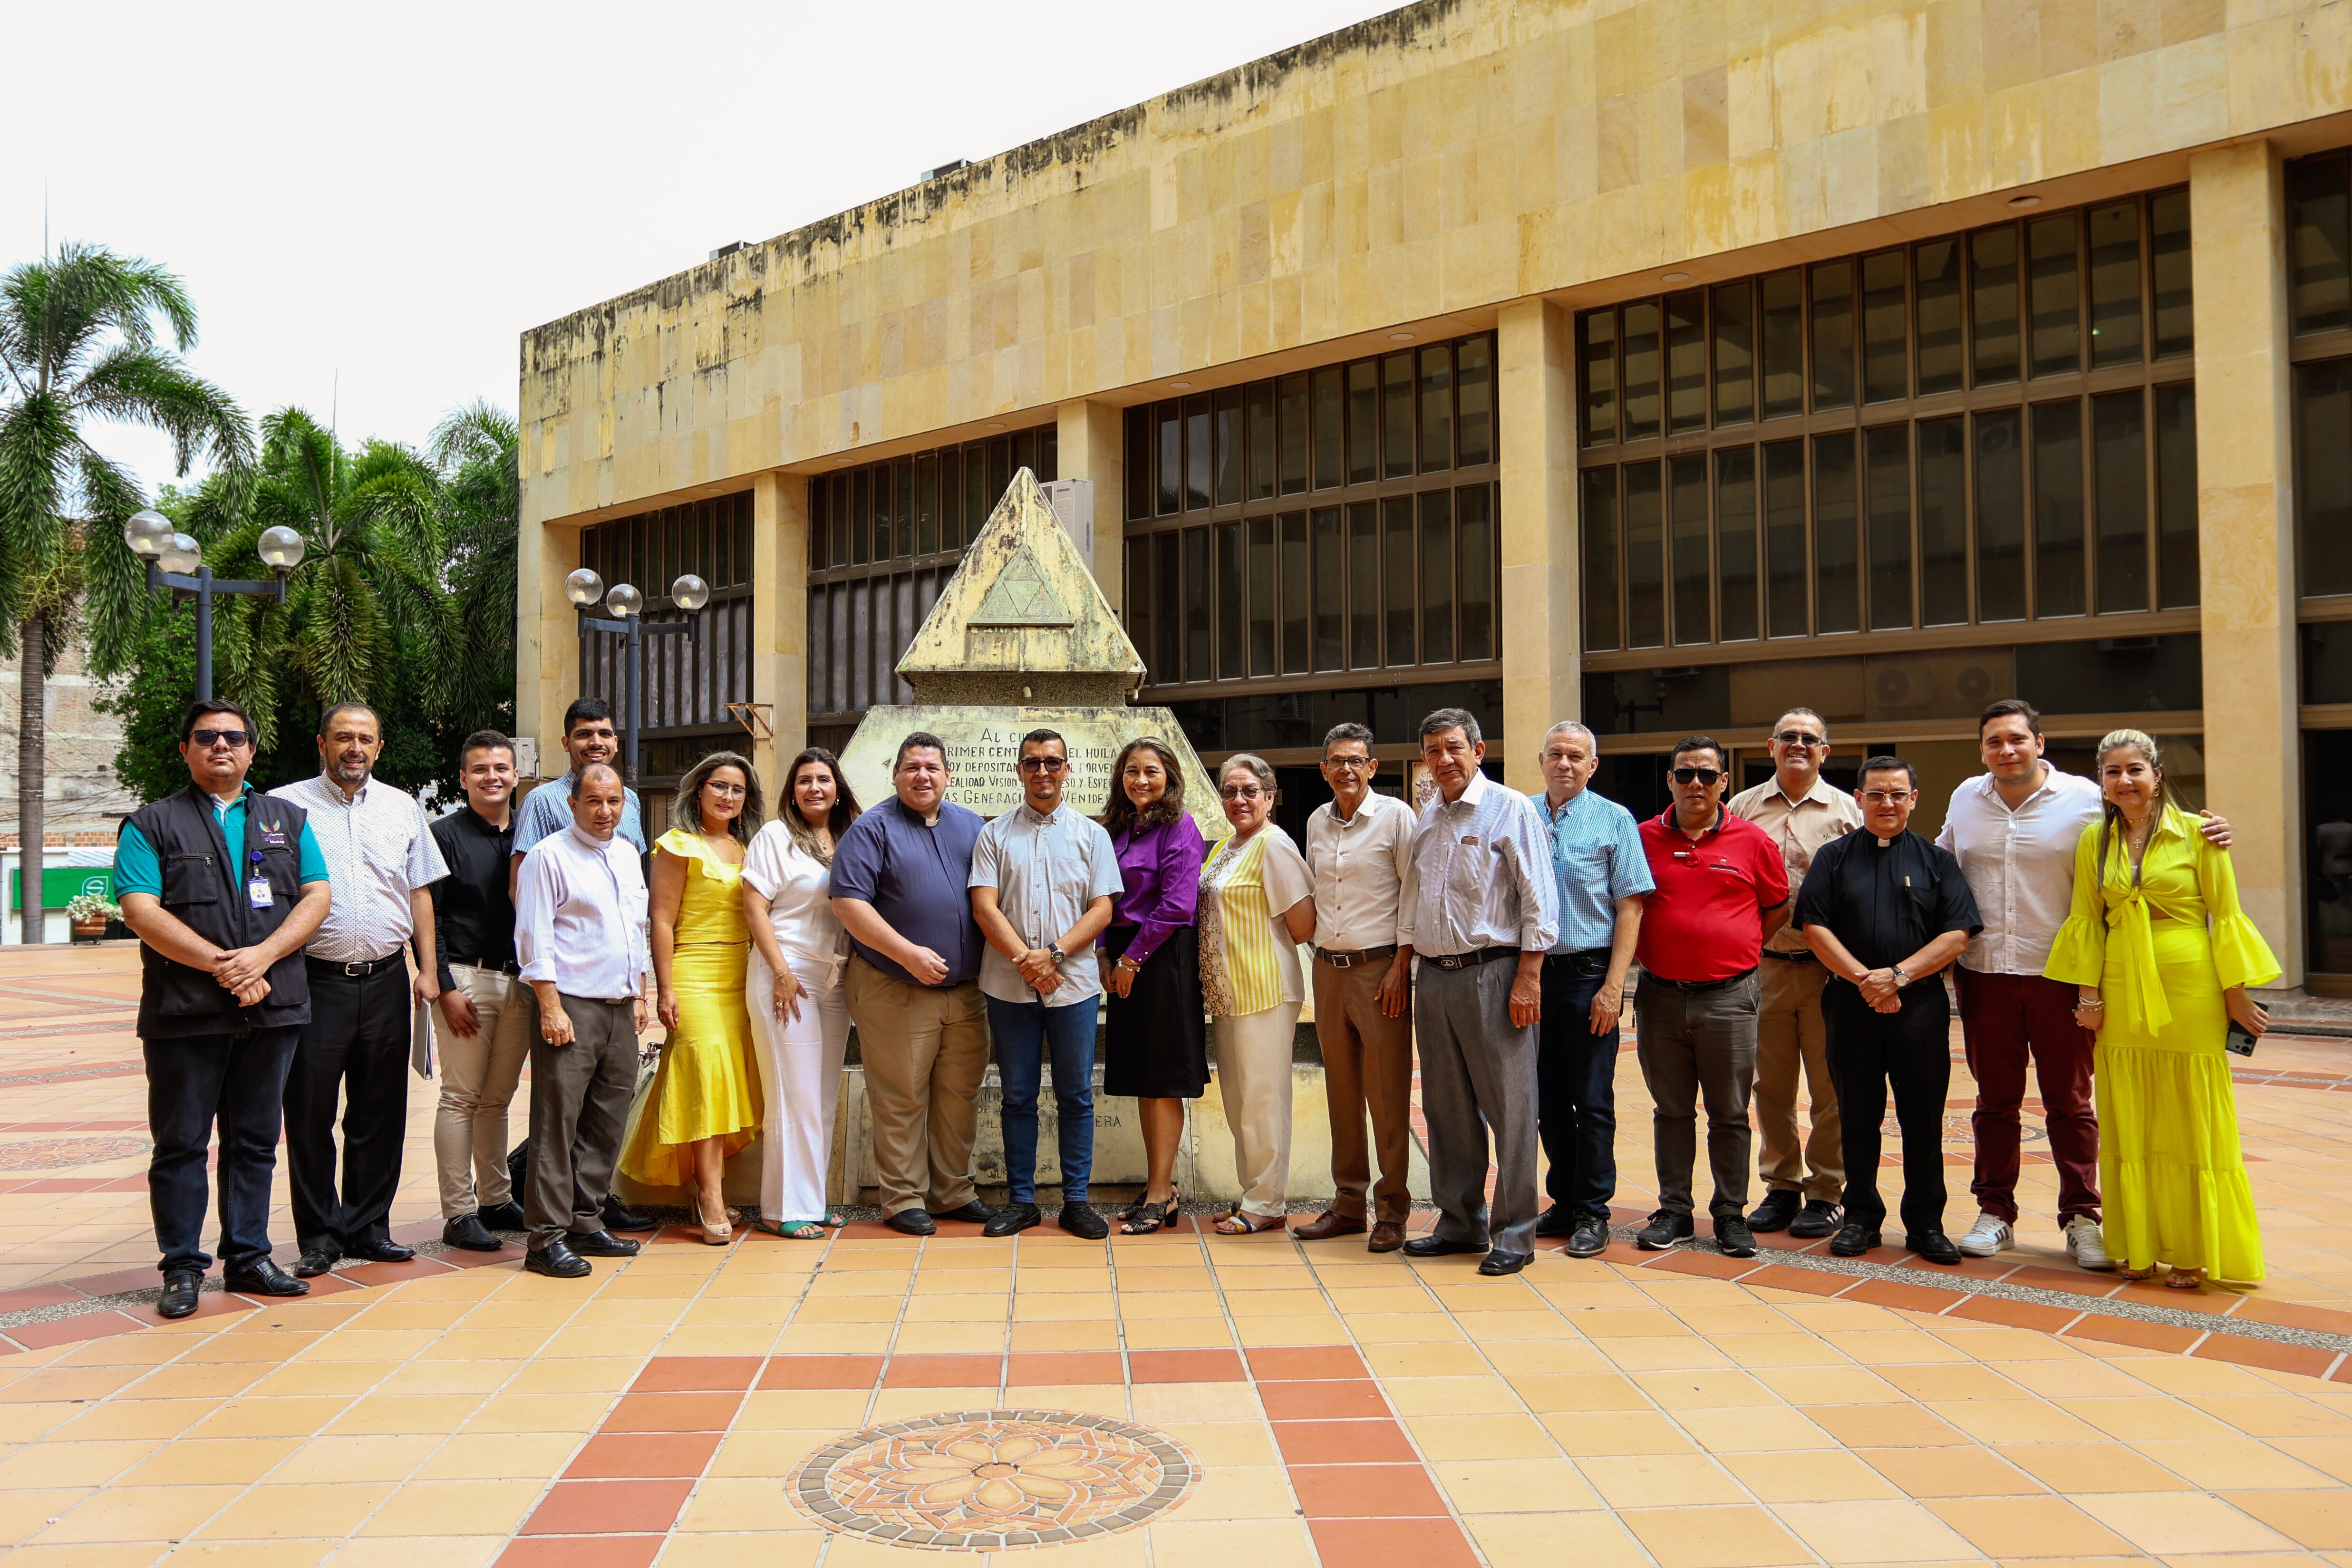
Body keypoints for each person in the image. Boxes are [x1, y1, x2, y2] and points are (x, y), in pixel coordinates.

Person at [1939, 698, 2231, 1268]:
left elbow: (2145, 821)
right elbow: (1943, 862)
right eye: (1994, 741)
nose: (2007, 749)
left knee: (2070, 1104)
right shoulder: (1964, 799)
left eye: (2017, 739)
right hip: (1986, 974)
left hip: (2062, 976)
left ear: (2039, 742)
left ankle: (2081, 1217)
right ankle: (1995, 1212)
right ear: (1982, 749)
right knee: (1994, 1103)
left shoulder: (2083, 798)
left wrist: (2206, 827)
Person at [116, 699, 332, 1318]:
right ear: (185, 749)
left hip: (274, 1007)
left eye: (233, 738)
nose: (221, 746)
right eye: (206, 737)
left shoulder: (287, 819)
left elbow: (317, 894)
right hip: (186, 1014)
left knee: (256, 1141)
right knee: (182, 1143)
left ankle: (249, 1256)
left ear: (251, 751)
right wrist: (225, 965)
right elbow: (140, 909)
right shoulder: (151, 824)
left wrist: (260, 958)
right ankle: (182, 1268)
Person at [2044, 730, 2278, 1287]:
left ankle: (2194, 1249)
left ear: (2157, 774)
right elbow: (2085, 921)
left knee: (2189, 1117)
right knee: (2129, 1116)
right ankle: (2139, 1242)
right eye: (2112, 772)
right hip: (2121, 987)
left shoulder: (2201, 833)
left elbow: (2225, 914)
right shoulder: (2091, 842)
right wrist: (2088, 998)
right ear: (2101, 781)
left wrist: (2236, 995)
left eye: (2134, 770)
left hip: (2189, 984)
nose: (2124, 781)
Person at [271, 703, 448, 1278]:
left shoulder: (402, 807)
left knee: (380, 1111)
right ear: (321, 743)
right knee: (310, 1113)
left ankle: (370, 1227)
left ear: (379, 747)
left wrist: (427, 969)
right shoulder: (284, 807)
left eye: (364, 739)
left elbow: (420, 891)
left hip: (387, 980)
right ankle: (320, 1236)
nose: (354, 747)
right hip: (314, 981)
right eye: (343, 737)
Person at [1796, 757, 1982, 1264]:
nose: (1887, 803)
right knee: (1856, 1115)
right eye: (1876, 794)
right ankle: (1860, 1216)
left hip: (1918, 1006)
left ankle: (1926, 1221)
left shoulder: (1936, 862)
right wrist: (1867, 980)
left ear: (1914, 800)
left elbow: (1958, 934)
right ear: (1857, 798)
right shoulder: (1833, 859)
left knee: (1923, 1117)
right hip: (1851, 1003)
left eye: (1898, 794)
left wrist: (1897, 977)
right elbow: (1814, 928)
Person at [1397, 709, 1559, 1276]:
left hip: (1496, 973)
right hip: (1436, 977)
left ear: (1479, 750)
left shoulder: (1510, 808)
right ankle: (1460, 1222)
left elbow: (1540, 898)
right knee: (1446, 1108)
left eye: (1453, 748)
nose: (1443, 759)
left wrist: (1529, 976)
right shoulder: (1429, 815)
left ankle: (1515, 1232)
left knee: (1511, 1108)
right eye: (1432, 750)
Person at [830, 732, 995, 1237]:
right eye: (911, 767)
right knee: (901, 1096)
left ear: (948, 775)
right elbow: (849, 904)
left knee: (959, 1094)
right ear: (896, 775)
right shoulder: (871, 829)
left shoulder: (972, 826)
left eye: (931, 767)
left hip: (966, 992)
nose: (922, 775)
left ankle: (952, 1190)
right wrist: (907, 952)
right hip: (895, 986)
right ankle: (902, 1197)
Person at [1632, 735, 1790, 1258]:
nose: (1694, 783)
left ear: (1724, 781)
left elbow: (1776, 906)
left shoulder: (1752, 840)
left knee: (1730, 1112)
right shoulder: (1642, 837)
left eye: (1706, 774)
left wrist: (1740, 947)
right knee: (1672, 1110)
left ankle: (1729, 1214)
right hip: (1660, 997)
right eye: (1684, 774)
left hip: (1730, 998)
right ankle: (1675, 1210)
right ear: (1670, 780)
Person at [970, 729, 1123, 1239]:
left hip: (1074, 984)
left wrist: (1053, 955)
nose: (1043, 772)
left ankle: (1076, 1200)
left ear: (1067, 769)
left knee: (1076, 1093)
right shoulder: (994, 835)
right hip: (1008, 985)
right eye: (1033, 763)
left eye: (1052, 762)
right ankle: (1022, 1200)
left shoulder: (1091, 835)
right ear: (1018, 770)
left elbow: (1103, 908)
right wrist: (1026, 960)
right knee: (1017, 1094)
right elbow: (984, 906)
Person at [514, 763, 654, 1278]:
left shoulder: (625, 853)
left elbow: (634, 929)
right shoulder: (549, 857)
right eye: (594, 801)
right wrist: (550, 1007)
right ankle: (545, 1238)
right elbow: (534, 935)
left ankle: (585, 1220)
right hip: (570, 1005)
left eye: (614, 801)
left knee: (607, 1120)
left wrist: (639, 993)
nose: (605, 811)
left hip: (620, 1005)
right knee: (558, 1125)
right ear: (572, 804)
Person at [1727, 708, 1860, 1241]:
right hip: (1768, 967)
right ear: (1771, 745)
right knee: (1771, 1086)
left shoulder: (1847, 810)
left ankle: (1827, 1190)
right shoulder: (1741, 807)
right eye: (1789, 737)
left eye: (1810, 739)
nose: (1799, 745)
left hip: (1831, 971)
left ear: (1825, 751)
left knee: (1831, 1087)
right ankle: (1781, 1184)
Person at [619, 752, 764, 1243]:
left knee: (728, 1080)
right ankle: (711, 1197)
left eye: (737, 789)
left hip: (742, 975)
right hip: (694, 972)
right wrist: (665, 986)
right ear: (698, 791)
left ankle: (705, 1181)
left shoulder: (749, 848)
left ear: (746, 800)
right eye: (719, 786)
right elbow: (659, 920)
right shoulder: (677, 845)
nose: (727, 796)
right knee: (707, 1074)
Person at [1528, 720, 1650, 1259]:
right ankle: (1563, 1199)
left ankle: (1593, 1211)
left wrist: (1614, 986)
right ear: (1541, 759)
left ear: (1592, 765)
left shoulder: (1614, 819)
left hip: (1588, 977)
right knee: (1547, 1099)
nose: (1565, 764)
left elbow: (1631, 905)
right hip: (1532, 977)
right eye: (1556, 754)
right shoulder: (1521, 814)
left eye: (1576, 756)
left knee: (1592, 1100)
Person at [1299, 723, 1418, 1253]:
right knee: (1341, 1091)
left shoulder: (1397, 817)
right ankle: (1348, 1202)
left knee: (1387, 1093)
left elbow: (1412, 896)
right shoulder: (1315, 822)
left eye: (1357, 760)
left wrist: (1401, 966)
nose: (1346, 769)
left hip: (1380, 971)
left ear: (1373, 767)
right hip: (1328, 969)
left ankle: (1392, 1209)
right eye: (1336, 761)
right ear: (1324, 770)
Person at [742, 747, 861, 1239]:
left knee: (820, 1094)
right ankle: (782, 1208)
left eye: (824, 780)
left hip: (835, 979)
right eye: (805, 779)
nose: (815, 788)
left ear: (838, 789)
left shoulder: (850, 837)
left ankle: (812, 1200)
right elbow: (755, 908)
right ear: (792, 789)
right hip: (787, 976)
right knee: (792, 1095)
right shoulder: (775, 837)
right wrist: (781, 971)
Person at [1198, 753, 1316, 1235]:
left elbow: (1304, 923)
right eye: (1231, 790)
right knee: (1239, 1099)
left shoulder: (1274, 846)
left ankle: (1267, 1201)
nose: (1239, 799)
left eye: (1250, 790)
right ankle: (1254, 1193)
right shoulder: (1226, 846)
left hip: (1264, 988)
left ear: (1270, 796)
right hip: (1228, 993)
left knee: (1264, 1098)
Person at [427, 730, 535, 1252]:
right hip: (465, 979)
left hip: (519, 979)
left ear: (516, 774)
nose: (492, 777)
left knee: (498, 1098)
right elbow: (430, 917)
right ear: (465, 777)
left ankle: (495, 1198)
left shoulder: (529, 835)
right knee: (461, 1096)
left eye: (501, 768)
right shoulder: (443, 835)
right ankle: (458, 1211)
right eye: (480, 769)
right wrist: (444, 986)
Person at [1097, 737, 1207, 1236]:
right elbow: (1103, 894)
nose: (1141, 779)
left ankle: (1163, 1194)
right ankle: (1156, 1183)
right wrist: (1104, 952)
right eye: (1132, 771)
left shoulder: (1179, 826)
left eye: (1152, 771)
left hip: (1160, 961)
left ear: (1170, 778)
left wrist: (1132, 959)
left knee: (1162, 1081)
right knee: (1144, 1079)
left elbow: (1179, 904)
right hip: (1124, 957)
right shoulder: (1118, 828)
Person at [511, 698, 647, 894]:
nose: (596, 743)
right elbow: (521, 886)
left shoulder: (630, 799)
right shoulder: (542, 800)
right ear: (566, 743)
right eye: (584, 734)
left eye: (605, 734)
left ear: (615, 743)